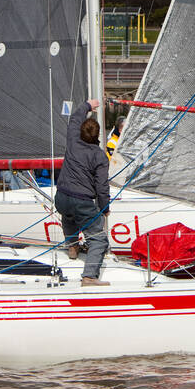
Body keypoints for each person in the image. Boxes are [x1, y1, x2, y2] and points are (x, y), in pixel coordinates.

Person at [55, 98, 110, 285]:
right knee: (99, 239)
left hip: (61, 197)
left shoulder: (72, 140)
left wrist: (87, 104)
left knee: (68, 214)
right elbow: (102, 187)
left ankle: (72, 246)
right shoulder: (99, 156)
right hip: (82, 201)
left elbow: (74, 119)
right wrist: (105, 208)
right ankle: (89, 276)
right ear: (98, 136)